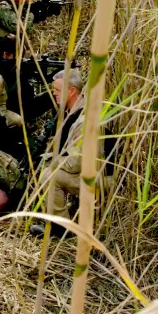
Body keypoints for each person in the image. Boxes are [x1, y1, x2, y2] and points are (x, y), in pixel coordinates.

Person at [29, 70, 115, 238]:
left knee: (50, 176)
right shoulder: (71, 112)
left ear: (72, 91)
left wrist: (50, 160)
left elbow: (76, 164)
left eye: (57, 90)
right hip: (92, 172)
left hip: (105, 177)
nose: (54, 93)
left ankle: (61, 229)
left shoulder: (84, 119)